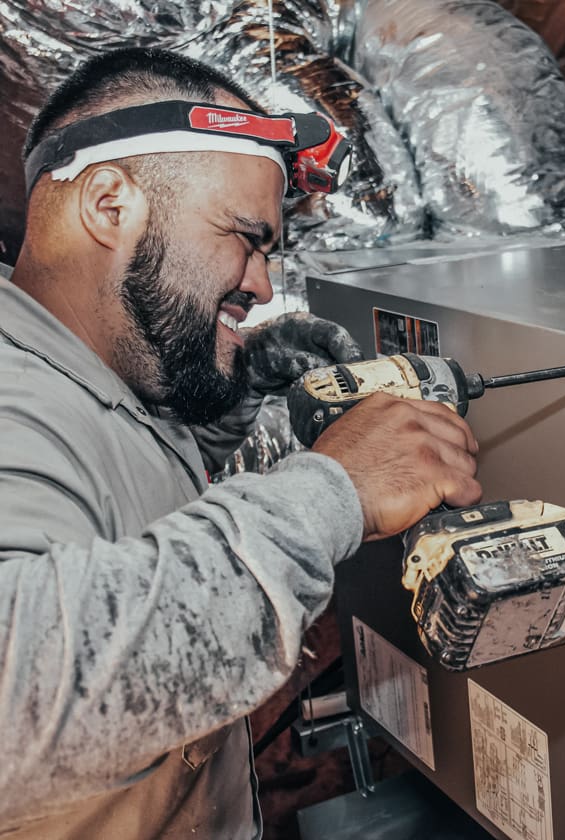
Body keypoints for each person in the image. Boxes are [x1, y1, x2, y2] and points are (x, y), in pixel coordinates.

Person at [0, 47, 481, 839]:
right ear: (109, 204)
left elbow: (103, 524)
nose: (260, 282)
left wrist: (217, 414)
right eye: (246, 237)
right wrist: (333, 490)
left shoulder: (82, 366)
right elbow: (30, 693)